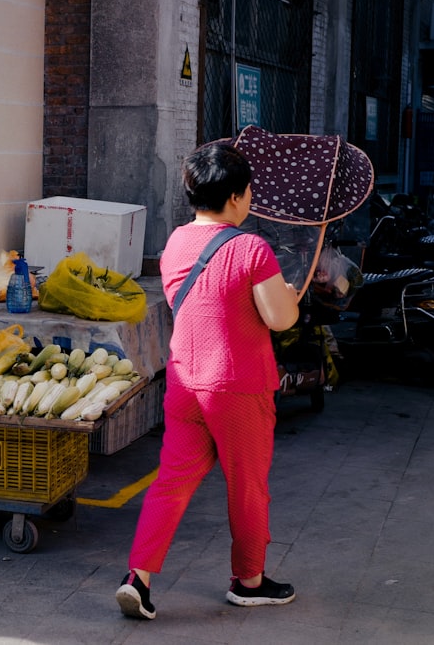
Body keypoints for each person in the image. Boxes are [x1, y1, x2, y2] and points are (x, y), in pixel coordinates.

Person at [115, 142, 300, 619]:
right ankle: (249, 580)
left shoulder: (176, 241)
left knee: (171, 482)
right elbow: (279, 319)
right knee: (247, 486)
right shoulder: (251, 248)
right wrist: (292, 297)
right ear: (237, 196)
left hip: (184, 381)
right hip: (238, 387)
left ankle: (139, 576)